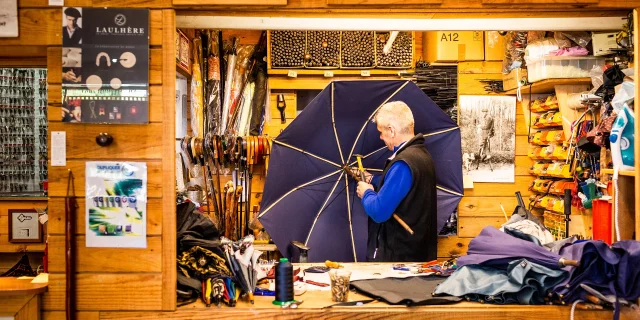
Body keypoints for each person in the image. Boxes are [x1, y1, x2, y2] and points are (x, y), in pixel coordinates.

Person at [355, 101, 437, 262]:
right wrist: (373, 179)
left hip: (398, 261)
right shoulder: (421, 156)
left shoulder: (402, 163)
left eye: (381, 132)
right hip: (416, 254)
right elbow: (406, 189)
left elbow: (379, 211)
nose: (380, 137)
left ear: (391, 130)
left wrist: (367, 193)